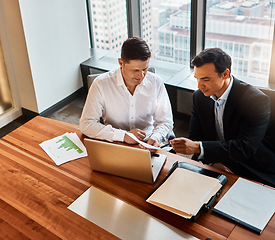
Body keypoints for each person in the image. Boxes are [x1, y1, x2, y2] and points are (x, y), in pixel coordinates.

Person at [170, 48, 275, 187]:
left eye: (205, 79)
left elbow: (245, 148)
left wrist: (199, 148)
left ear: (225, 74)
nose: (199, 85)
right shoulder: (199, 96)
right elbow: (196, 137)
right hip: (217, 160)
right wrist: (213, 162)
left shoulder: (255, 100)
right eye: (197, 78)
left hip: (251, 166)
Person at [80, 37, 173, 147]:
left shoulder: (156, 83)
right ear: (121, 62)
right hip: (115, 142)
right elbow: (86, 124)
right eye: (135, 70)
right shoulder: (101, 84)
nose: (141, 75)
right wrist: (123, 135)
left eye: (145, 69)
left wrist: (156, 137)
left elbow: (165, 121)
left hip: (148, 142)